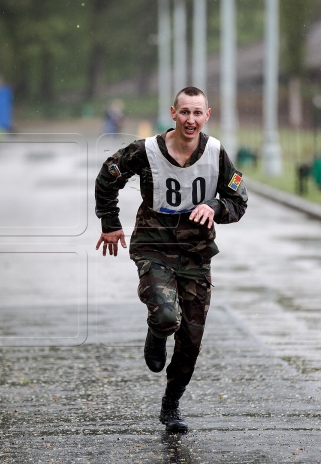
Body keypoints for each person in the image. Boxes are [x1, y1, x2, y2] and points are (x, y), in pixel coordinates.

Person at [94, 86, 247, 433]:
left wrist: (216, 206)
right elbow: (108, 175)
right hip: (154, 247)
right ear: (173, 114)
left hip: (196, 255)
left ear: (207, 116)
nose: (190, 120)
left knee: (191, 341)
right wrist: (110, 222)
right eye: (184, 112)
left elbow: (239, 197)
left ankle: (171, 404)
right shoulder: (146, 151)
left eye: (197, 113)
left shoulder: (217, 154)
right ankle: (157, 330)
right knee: (166, 315)